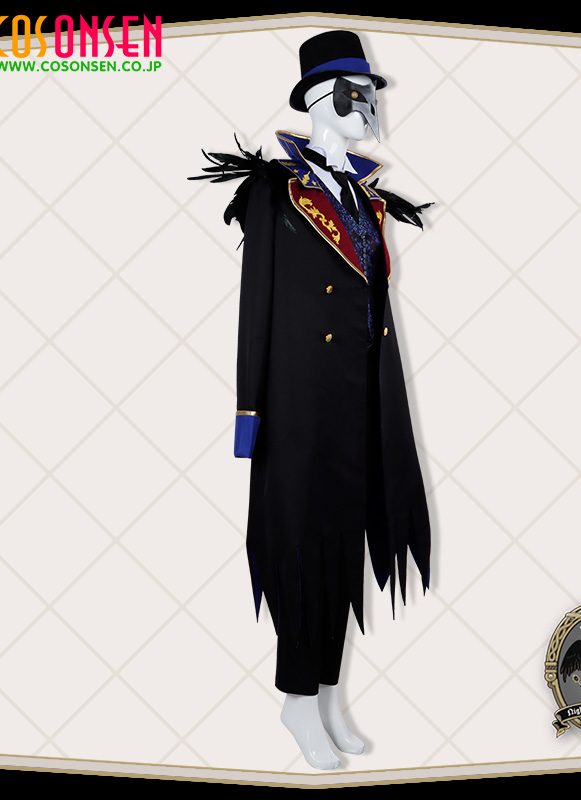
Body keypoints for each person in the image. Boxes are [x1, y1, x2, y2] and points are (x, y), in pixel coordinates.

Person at [191, 29, 432, 770]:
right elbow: (255, 307)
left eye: (373, 94)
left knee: (342, 544)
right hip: (297, 401)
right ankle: (296, 698)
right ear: (324, 99)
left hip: (359, 399)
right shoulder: (275, 193)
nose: (372, 108)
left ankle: (326, 694)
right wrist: (250, 413)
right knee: (300, 544)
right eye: (360, 94)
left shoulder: (365, 198)